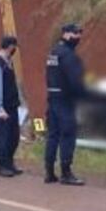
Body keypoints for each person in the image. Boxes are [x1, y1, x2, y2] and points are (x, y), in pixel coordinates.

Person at [44, 23, 87, 185]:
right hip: (65, 100)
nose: (79, 37)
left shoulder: (53, 53)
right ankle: (66, 172)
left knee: (52, 136)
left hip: (53, 98)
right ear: (67, 34)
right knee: (67, 135)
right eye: (76, 34)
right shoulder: (69, 56)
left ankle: (49, 172)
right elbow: (75, 81)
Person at [0, 35, 22, 178]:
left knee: (14, 136)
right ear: (10, 46)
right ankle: (2, 166)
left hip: (12, 106)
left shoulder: (8, 62)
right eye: (14, 47)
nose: (15, 50)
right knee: (3, 137)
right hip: (2, 109)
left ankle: (10, 163)